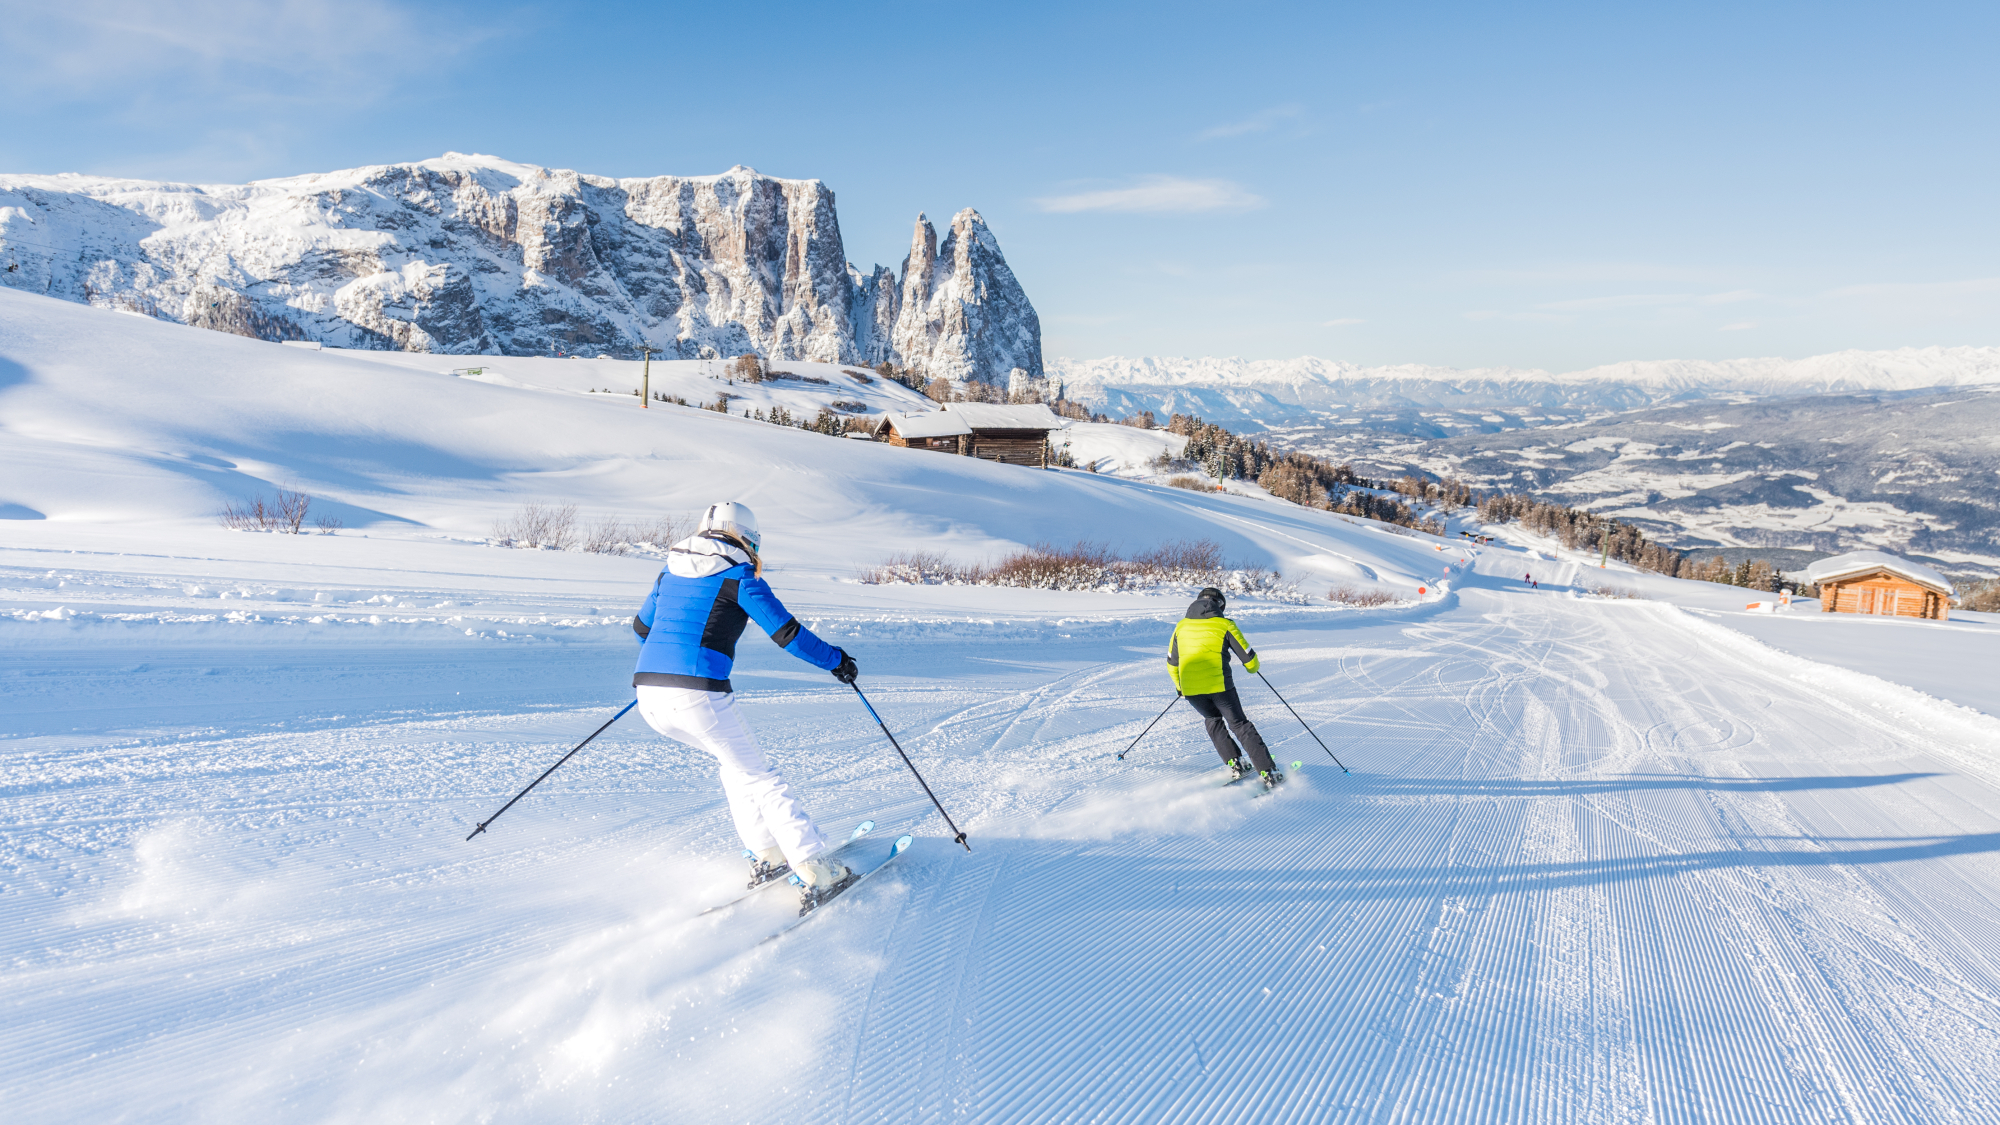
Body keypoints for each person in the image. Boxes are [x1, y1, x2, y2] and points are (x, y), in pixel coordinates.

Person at [630, 502, 862, 897]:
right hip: (697, 697)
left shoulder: (669, 572)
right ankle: (814, 866)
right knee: (762, 777)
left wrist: (666, 671)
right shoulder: (738, 576)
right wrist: (836, 661)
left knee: (736, 766)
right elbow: (788, 635)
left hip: (649, 695)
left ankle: (767, 853)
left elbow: (641, 629)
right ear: (748, 540)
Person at [1167, 586, 1283, 789]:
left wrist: (1180, 688)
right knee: (1239, 725)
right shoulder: (1225, 624)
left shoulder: (1181, 627)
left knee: (1212, 720)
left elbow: (1171, 664)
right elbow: (1250, 661)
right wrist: (1252, 666)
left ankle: (1236, 763)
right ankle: (1269, 772)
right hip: (1220, 686)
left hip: (1191, 690)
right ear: (1220, 606)